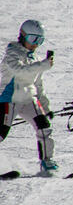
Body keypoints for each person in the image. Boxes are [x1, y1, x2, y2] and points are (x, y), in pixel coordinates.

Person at [1, 20, 58, 173]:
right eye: (33, 39)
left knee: (44, 127)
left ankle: (47, 161)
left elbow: (39, 87)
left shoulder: (36, 60)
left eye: (40, 40)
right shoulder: (12, 54)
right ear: (23, 36)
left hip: (28, 100)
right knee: (1, 132)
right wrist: (42, 66)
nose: (36, 44)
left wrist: (46, 108)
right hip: (9, 99)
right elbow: (19, 70)